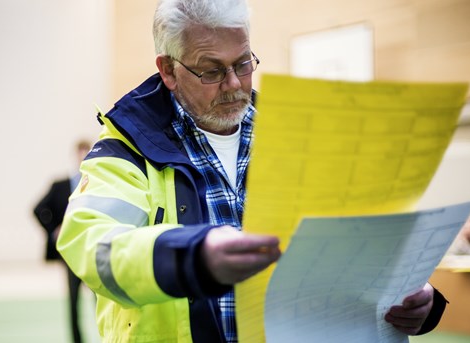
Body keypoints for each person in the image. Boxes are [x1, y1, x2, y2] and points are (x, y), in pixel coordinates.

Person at [57, 0, 448, 341]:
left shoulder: (302, 137)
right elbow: (93, 246)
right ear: (169, 71)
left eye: (243, 63)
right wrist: (194, 258)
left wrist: (415, 295)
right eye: (210, 70)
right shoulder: (125, 150)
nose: (233, 85)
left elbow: (364, 238)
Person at [34, 139, 92, 343]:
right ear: (75, 155)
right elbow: (37, 209)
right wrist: (53, 230)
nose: (83, 156)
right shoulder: (60, 185)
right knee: (73, 301)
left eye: (87, 151)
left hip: (93, 249)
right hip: (70, 252)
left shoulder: (98, 182)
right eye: (81, 152)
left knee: (102, 299)